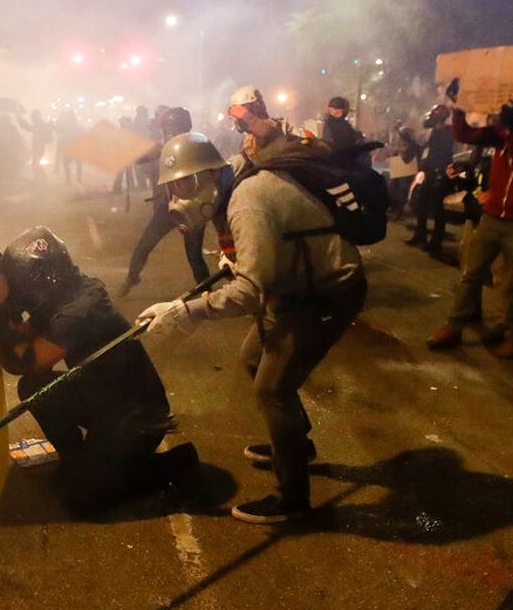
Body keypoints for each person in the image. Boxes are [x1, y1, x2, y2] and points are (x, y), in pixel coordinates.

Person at [138, 89, 366, 524]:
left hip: (326, 292)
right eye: (172, 188)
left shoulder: (246, 200)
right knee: (251, 358)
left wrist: (186, 312)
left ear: (209, 175)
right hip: (294, 287)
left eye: (184, 185)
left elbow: (250, 291)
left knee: (272, 388)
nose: (177, 198)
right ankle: (297, 443)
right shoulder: (234, 188)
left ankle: (293, 499)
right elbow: (252, 264)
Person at [0, 226, 198, 515]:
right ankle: (81, 463)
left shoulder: (76, 313)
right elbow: (22, 342)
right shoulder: (67, 292)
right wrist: (3, 308)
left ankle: (173, 463)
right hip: (107, 397)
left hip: (137, 418)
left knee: (83, 502)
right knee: (33, 388)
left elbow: (20, 362)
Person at [426, 94, 513, 359]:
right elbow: (465, 133)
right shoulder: (502, 132)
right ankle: (454, 327)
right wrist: (459, 104)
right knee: (469, 274)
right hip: (492, 216)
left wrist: (512, 128)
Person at [117, 107, 231, 297]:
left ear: (185, 128)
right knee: (144, 245)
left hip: (193, 210)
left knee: (194, 256)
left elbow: (221, 170)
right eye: (168, 129)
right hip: (167, 208)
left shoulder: (198, 146)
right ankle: (131, 279)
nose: (172, 133)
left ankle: (206, 294)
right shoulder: (163, 148)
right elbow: (141, 157)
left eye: (175, 129)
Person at [405, 104, 456, 256]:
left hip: (439, 174)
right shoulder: (434, 132)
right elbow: (425, 150)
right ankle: (420, 235)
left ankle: (436, 241)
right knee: (420, 205)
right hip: (428, 173)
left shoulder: (446, 133)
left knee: (437, 210)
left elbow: (441, 154)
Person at [19, 109, 52, 181]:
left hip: (39, 147)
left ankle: (42, 178)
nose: (31, 118)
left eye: (32, 116)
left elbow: (29, 128)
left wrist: (21, 121)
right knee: (35, 163)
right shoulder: (39, 124)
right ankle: (38, 178)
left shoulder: (39, 124)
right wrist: (21, 121)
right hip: (38, 147)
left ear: (35, 116)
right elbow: (29, 128)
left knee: (35, 164)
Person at [54, 109, 85, 184]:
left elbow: (58, 130)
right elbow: (83, 133)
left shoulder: (65, 125)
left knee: (67, 163)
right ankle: (79, 178)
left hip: (68, 146)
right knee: (78, 163)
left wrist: (53, 126)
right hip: (76, 146)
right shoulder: (78, 126)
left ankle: (69, 180)